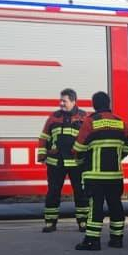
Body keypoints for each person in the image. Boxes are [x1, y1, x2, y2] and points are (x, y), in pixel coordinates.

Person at [75, 91, 128, 251]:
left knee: (95, 207)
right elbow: (127, 147)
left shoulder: (90, 121)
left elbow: (78, 147)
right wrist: (116, 159)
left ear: (94, 105)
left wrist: (81, 161)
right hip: (115, 175)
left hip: (94, 175)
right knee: (116, 205)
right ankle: (117, 239)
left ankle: (92, 241)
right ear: (109, 103)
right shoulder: (120, 122)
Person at [36, 88, 87, 232]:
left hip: (76, 163)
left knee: (80, 193)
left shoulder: (84, 117)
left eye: (64, 101)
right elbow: (44, 137)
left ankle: (83, 222)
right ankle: (50, 223)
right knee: (53, 193)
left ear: (73, 101)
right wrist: (42, 156)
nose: (61, 104)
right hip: (55, 162)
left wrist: (86, 158)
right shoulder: (53, 117)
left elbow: (88, 139)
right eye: (61, 100)